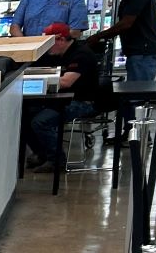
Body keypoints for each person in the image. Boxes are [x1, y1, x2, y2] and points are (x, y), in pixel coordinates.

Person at [25, 21, 101, 172]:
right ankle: (42, 153)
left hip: (82, 102)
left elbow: (66, 82)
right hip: (63, 99)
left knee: (41, 122)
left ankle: (56, 160)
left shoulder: (81, 54)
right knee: (24, 116)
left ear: (60, 39)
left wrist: (33, 80)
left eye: (49, 43)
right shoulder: (60, 53)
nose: (47, 48)